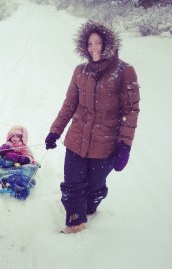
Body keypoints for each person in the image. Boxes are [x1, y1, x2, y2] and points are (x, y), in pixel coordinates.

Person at [45, 21, 140, 234]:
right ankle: (75, 222)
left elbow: (131, 111)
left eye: (98, 43)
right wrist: (55, 131)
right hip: (76, 140)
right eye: (89, 44)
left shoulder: (125, 72)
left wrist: (125, 145)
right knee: (72, 185)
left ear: (108, 44)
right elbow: (69, 104)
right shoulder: (80, 70)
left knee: (94, 188)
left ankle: (88, 209)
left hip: (105, 145)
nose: (93, 48)